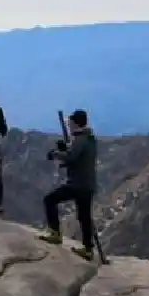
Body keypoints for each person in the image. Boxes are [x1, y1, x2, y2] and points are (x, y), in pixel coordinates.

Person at [40, 109, 99, 261]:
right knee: (84, 216)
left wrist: (55, 154)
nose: (69, 125)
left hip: (77, 184)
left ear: (75, 123)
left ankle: (55, 233)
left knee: (50, 200)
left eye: (71, 123)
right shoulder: (89, 138)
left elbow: (71, 158)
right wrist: (66, 149)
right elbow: (79, 159)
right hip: (87, 184)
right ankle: (88, 249)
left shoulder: (80, 139)